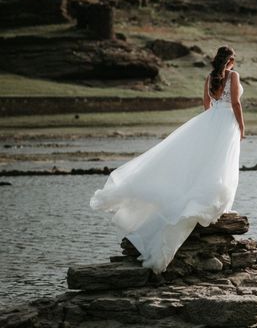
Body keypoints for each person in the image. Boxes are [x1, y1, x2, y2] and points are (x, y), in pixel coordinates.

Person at [90, 45, 245, 274]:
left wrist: (210, 123)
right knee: (221, 163)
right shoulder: (233, 76)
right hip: (226, 123)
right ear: (230, 60)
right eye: (233, 60)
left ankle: (209, 199)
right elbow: (235, 103)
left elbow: (206, 104)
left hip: (211, 121)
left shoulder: (210, 77)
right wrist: (241, 126)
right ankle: (216, 202)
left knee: (209, 162)